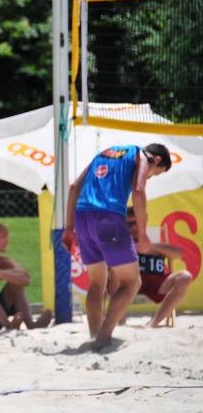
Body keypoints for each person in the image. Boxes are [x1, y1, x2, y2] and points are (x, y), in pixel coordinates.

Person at [61, 143, 171, 351]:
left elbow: (75, 187)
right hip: (108, 216)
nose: (150, 176)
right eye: (156, 174)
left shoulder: (103, 153)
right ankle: (103, 338)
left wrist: (68, 228)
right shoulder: (143, 156)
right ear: (156, 160)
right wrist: (142, 229)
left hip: (82, 217)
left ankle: (94, 336)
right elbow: (138, 191)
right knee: (131, 282)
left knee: (96, 283)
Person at [108, 206, 193, 328]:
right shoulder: (118, 242)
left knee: (185, 276)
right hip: (127, 285)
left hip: (155, 285)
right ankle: (120, 320)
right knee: (114, 271)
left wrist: (149, 247)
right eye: (129, 224)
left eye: (137, 223)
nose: (134, 228)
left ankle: (153, 323)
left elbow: (179, 254)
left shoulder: (153, 243)